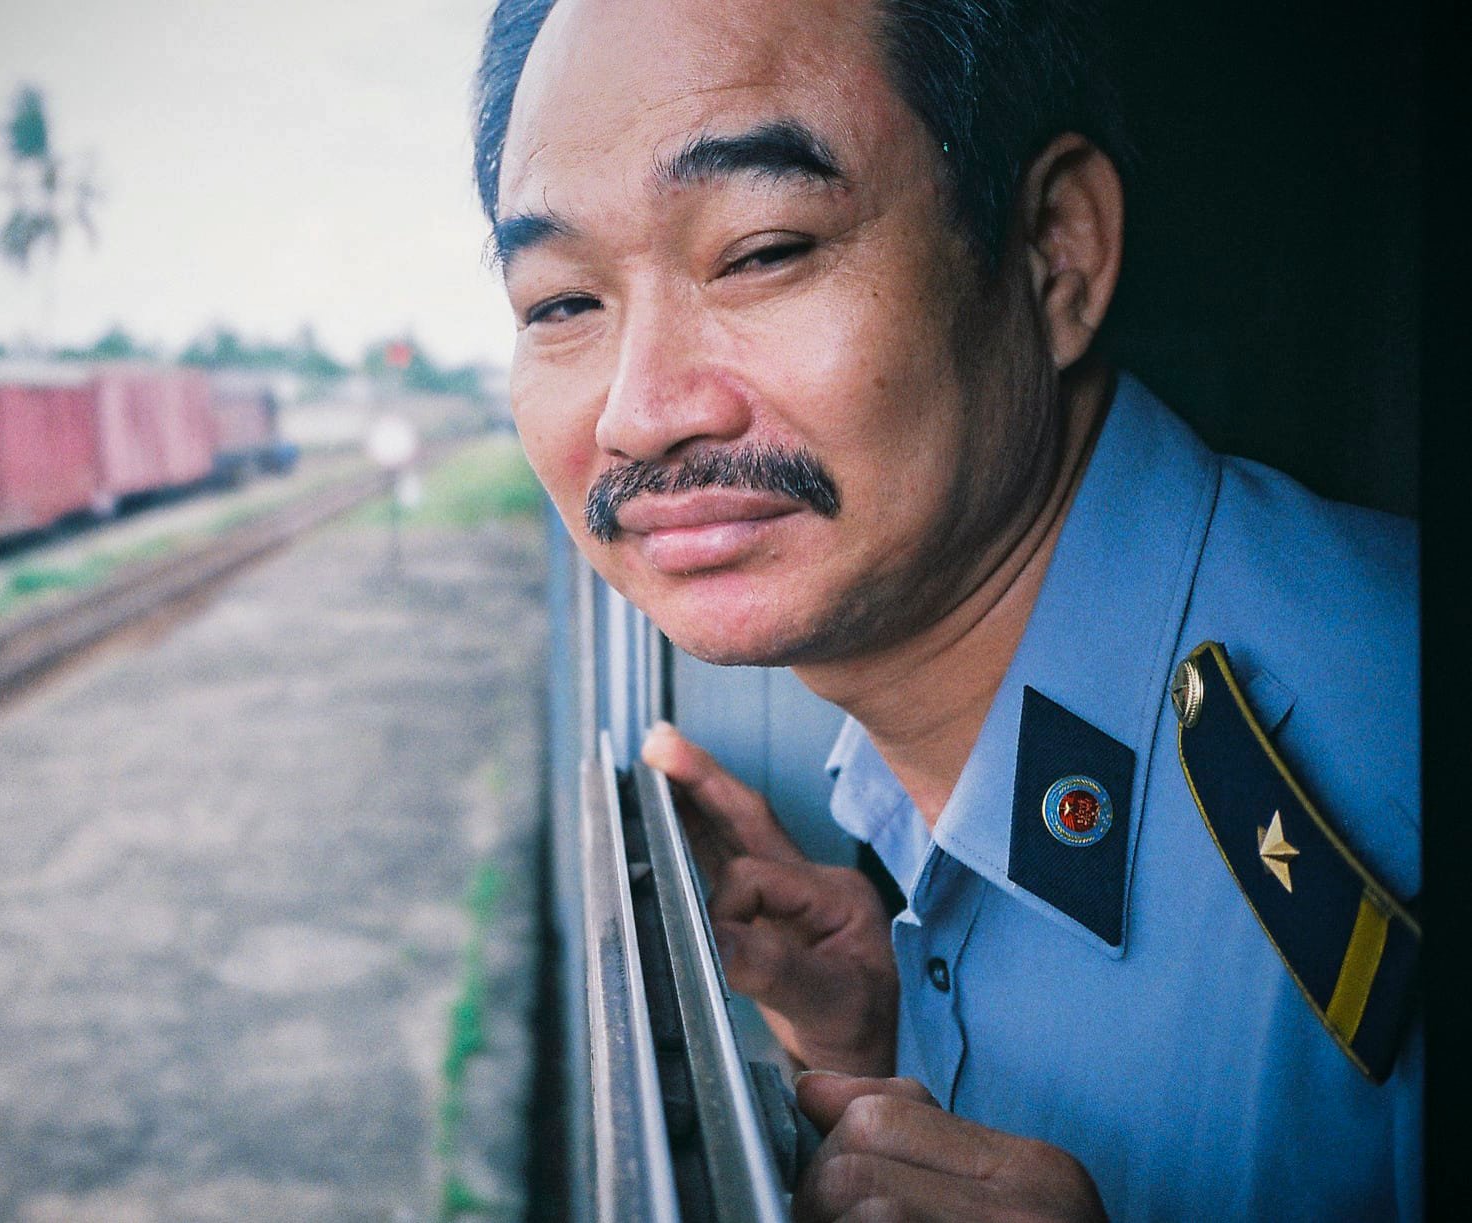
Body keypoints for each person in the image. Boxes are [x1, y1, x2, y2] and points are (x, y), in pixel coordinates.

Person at [472, 0, 1421, 1218]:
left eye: (761, 250)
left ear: (1053, 250)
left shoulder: (1396, 762)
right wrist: (875, 1046)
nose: (642, 413)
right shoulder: (920, 755)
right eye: (560, 303)